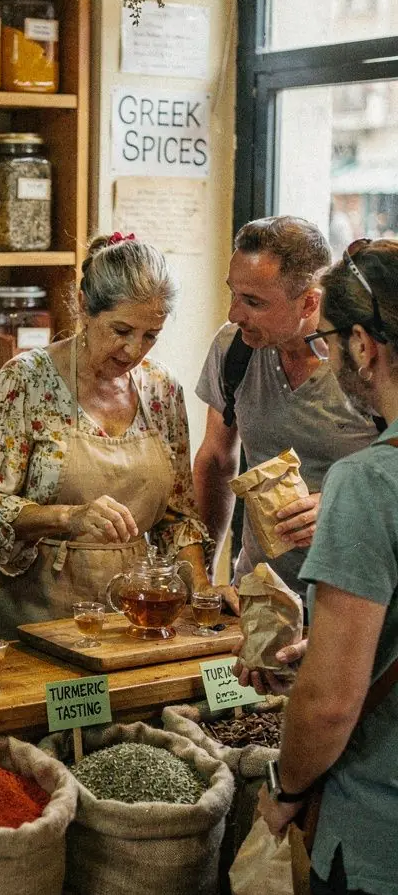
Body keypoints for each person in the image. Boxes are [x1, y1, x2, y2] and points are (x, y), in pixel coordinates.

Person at [259, 239, 398, 895]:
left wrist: (284, 787)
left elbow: (331, 701)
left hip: (386, 847)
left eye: (333, 340)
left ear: (365, 347)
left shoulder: (368, 483)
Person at [0, 234, 215, 641]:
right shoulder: (25, 380)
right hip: (27, 606)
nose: (133, 350)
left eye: (151, 335)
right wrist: (69, 517)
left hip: (127, 612)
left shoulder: (162, 390)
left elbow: (178, 518)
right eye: (121, 330)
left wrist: (200, 588)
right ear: (83, 306)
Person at [194, 216, 375, 607]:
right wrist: (203, 577)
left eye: (253, 302)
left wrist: (340, 507)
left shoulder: (365, 363)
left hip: (353, 603)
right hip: (259, 599)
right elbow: (216, 461)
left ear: (309, 301)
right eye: (233, 293)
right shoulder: (233, 349)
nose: (233, 314)